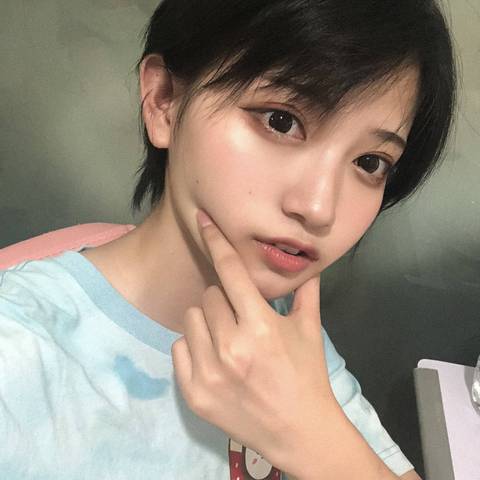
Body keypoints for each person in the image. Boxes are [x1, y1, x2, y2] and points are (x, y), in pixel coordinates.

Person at [0, 0, 456, 479]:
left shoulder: (279, 327)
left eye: (369, 163)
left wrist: (314, 437)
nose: (319, 208)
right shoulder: (20, 357)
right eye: (280, 120)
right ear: (164, 102)